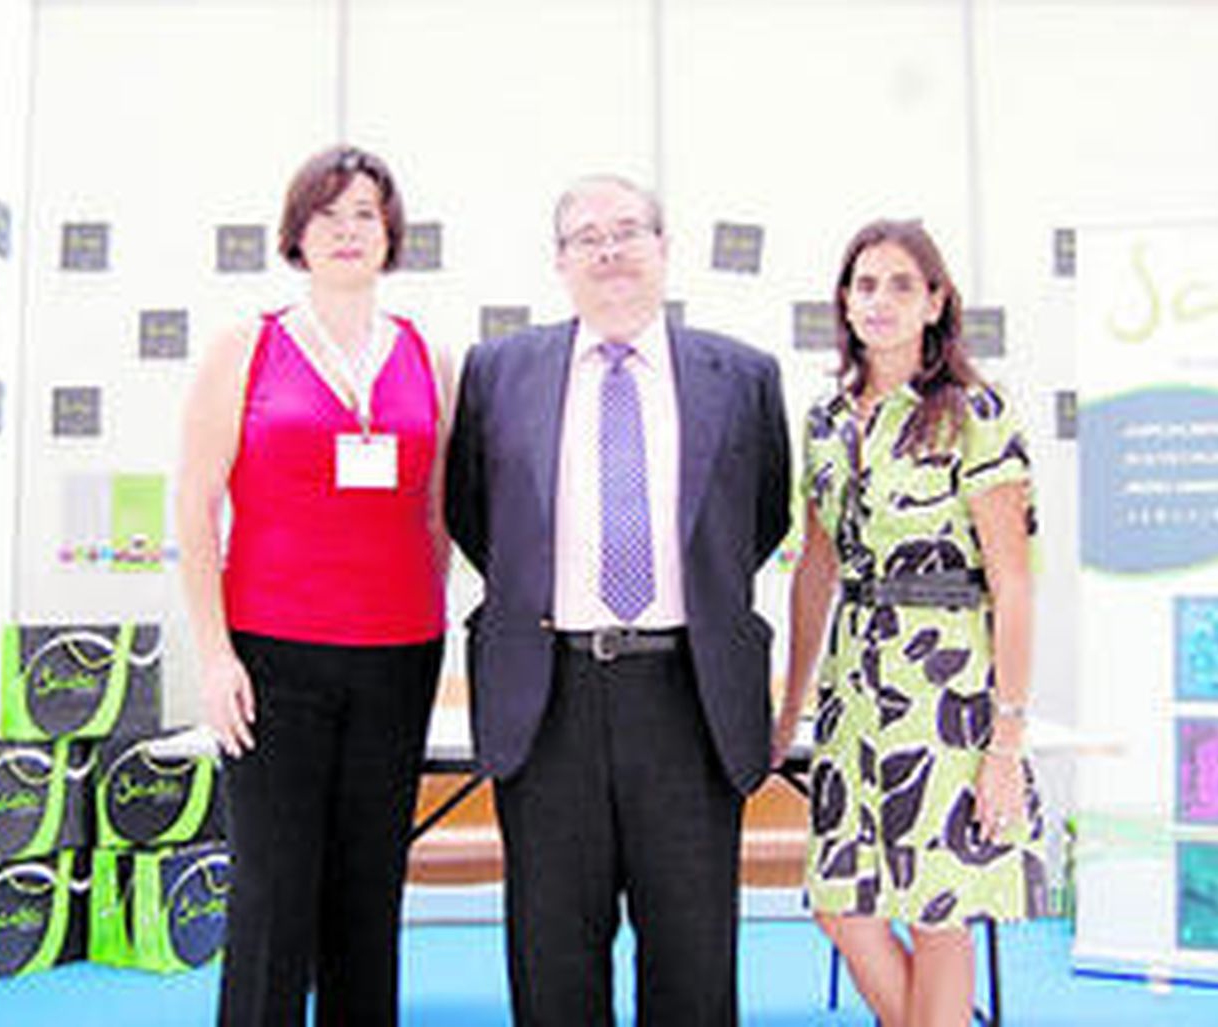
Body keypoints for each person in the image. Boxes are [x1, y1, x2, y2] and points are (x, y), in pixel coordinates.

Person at [444, 175, 790, 1026]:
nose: (609, 250)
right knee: (553, 958)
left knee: (693, 960)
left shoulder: (741, 375)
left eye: (628, 230)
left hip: (689, 695)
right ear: (559, 262)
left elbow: (763, 517)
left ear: (665, 249)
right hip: (549, 692)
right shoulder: (499, 371)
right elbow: (476, 515)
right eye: (585, 236)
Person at [175, 144, 452, 1026]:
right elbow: (193, 505)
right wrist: (215, 656)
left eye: (365, 214)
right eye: (327, 215)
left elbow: (437, 518)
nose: (346, 230)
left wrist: (419, 614)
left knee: (368, 892)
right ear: (297, 234)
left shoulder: (427, 356)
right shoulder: (246, 345)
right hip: (272, 655)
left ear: (390, 234)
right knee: (272, 892)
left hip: (398, 657)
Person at [771, 218, 1045, 1027]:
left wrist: (1005, 743)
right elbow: (815, 571)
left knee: (938, 909)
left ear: (936, 301)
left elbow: (1014, 585)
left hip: (948, 692)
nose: (880, 300)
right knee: (840, 903)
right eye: (864, 284)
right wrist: (791, 708)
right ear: (844, 304)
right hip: (854, 696)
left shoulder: (974, 413)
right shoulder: (824, 422)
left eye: (900, 284)